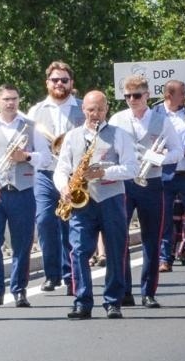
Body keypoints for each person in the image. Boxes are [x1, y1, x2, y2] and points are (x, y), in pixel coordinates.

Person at [57, 91, 137, 319]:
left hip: (111, 198)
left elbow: (132, 168)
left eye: (100, 109)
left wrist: (104, 172)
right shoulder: (72, 136)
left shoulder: (119, 134)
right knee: (79, 250)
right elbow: (61, 168)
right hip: (82, 201)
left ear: (107, 109)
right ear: (83, 110)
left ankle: (113, 302)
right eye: (91, 110)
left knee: (115, 250)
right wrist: (63, 187)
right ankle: (82, 302)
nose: (95, 114)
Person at [109, 74, 185, 307]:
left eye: (137, 96)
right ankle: (124, 290)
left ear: (147, 95)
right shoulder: (117, 119)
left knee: (151, 238)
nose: (132, 100)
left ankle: (148, 292)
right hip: (124, 183)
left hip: (152, 183)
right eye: (128, 96)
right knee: (119, 237)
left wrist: (160, 158)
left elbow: (177, 151)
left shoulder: (162, 121)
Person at [0, 86, 37, 308]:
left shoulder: (31, 126)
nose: (11, 103)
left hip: (23, 190)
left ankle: (19, 290)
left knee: (22, 243)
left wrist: (27, 156)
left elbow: (46, 158)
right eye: (6, 99)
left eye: (14, 99)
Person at [29, 62, 82, 292]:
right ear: (47, 83)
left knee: (70, 223)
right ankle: (52, 274)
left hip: (73, 174)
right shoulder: (35, 111)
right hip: (45, 172)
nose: (59, 84)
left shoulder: (82, 108)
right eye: (55, 80)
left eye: (64, 80)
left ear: (71, 83)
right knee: (44, 221)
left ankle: (71, 275)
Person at [161, 80, 185, 266]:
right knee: (164, 218)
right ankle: (164, 258)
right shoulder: (155, 114)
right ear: (169, 96)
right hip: (164, 173)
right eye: (182, 93)